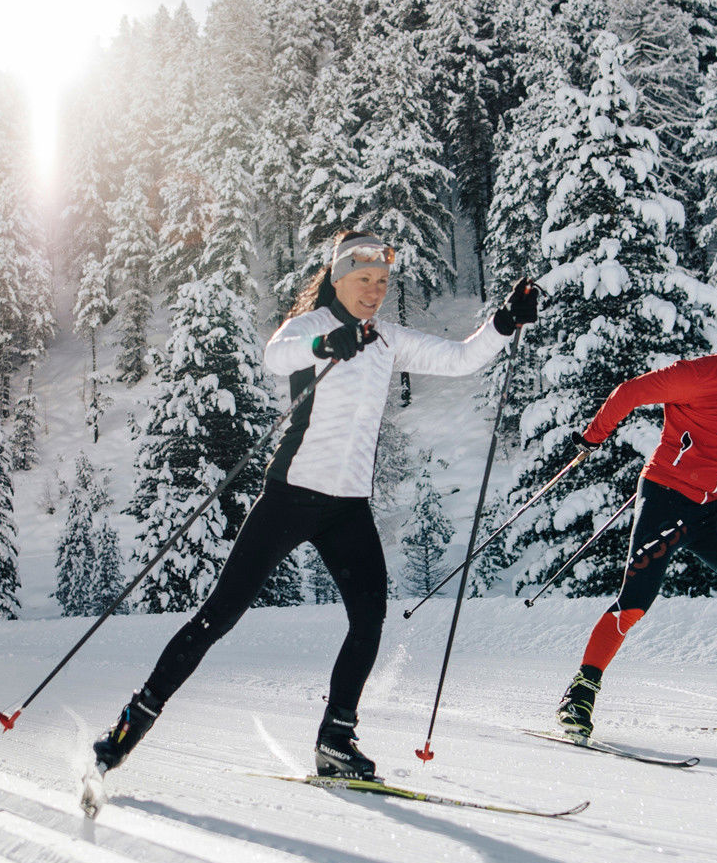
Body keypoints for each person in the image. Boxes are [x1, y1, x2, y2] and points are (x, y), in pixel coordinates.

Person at [96, 231, 542, 782]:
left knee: (368, 616)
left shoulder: (387, 339)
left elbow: (460, 358)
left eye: (382, 281)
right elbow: (274, 355)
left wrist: (503, 322)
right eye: (364, 280)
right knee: (219, 616)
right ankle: (131, 723)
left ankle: (335, 739)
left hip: (347, 507)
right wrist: (326, 346)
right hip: (289, 497)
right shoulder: (310, 327)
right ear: (338, 279)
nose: (375, 291)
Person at [554, 296, 717, 738]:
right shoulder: (699, 374)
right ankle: (579, 694)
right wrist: (593, 439)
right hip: (668, 497)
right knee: (635, 601)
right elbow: (629, 393)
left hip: (711, 505)